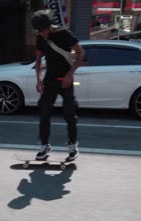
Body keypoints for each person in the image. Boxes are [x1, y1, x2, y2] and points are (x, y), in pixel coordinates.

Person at [32, 10, 85, 162]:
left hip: (65, 79)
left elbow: (81, 54)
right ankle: (44, 145)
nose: (42, 34)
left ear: (49, 26)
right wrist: (39, 80)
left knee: (69, 113)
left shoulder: (64, 34)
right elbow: (37, 61)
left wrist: (69, 75)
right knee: (44, 112)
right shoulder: (40, 38)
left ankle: (72, 145)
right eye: (39, 31)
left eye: (43, 30)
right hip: (50, 80)